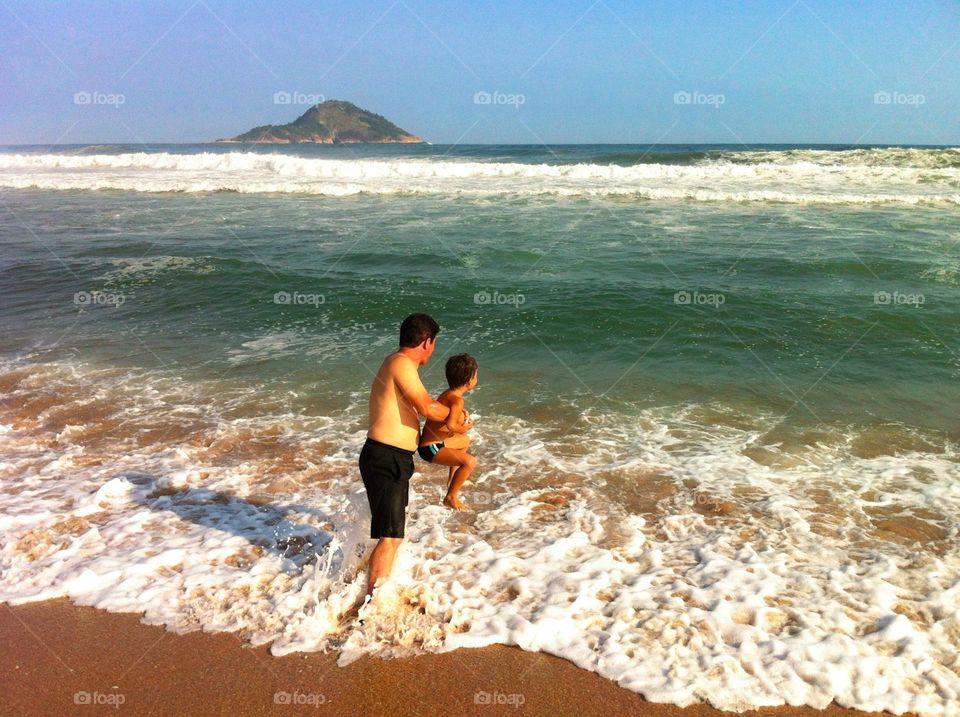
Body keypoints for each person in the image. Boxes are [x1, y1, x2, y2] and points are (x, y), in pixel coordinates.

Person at [359, 313, 450, 596]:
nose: (433, 350)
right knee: (390, 537)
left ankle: (373, 590)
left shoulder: (396, 363)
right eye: (434, 344)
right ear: (427, 342)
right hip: (386, 458)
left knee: (392, 536)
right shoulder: (401, 363)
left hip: (389, 458)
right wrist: (456, 415)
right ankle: (370, 605)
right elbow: (427, 407)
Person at [417, 353, 478, 512]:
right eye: (476, 375)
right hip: (430, 449)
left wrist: (461, 424)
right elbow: (451, 426)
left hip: (432, 444)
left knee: (464, 441)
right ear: (469, 379)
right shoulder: (457, 400)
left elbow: (447, 422)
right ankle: (451, 496)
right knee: (469, 462)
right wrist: (463, 427)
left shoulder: (448, 394)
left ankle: (452, 479)